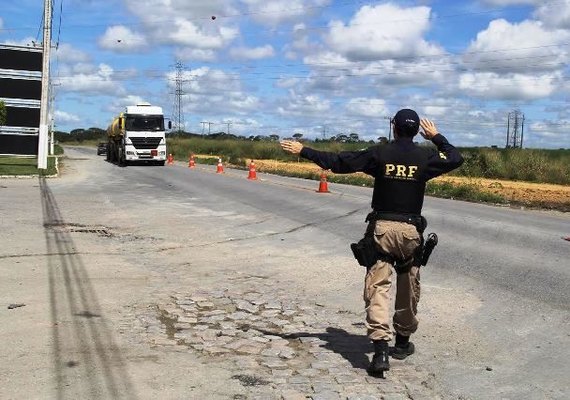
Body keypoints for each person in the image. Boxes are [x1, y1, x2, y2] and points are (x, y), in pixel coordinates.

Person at [280, 109, 464, 376]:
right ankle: (402, 343)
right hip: (411, 230)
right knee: (408, 285)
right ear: (416, 131)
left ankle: (380, 349)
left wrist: (303, 150)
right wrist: (436, 137)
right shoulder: (426, 157)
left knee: (378, 285)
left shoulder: (379, 154)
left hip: (382, 229)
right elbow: (455, 158)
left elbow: (339, 162)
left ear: (394, 128)